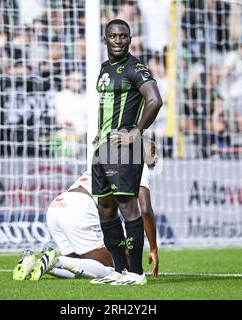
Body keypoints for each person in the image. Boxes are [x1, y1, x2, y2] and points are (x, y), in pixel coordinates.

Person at [12, 138, 160, 282]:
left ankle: (36, 263)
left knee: (77, 264)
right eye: (153, 149)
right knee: (115, 267)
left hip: (58, 205)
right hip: (79, 208)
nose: (156, 155)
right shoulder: (136, 163)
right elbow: (145, 210)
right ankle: (56, 261)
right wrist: (153, 248)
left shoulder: (107, 155)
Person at [91, 19, 162, 286]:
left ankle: (136, 273)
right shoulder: (104, 69)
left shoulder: (135, 68)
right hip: (103, 147)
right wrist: (100, 130)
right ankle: (118, 270)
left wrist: (136, 132)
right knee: (105, 209)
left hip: (124, 148)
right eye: (113, 36)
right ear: (105, 39)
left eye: (123, 36)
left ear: (130, 39)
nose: (118, 40)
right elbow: (108, 106)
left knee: (127, 207)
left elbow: (155, 100)